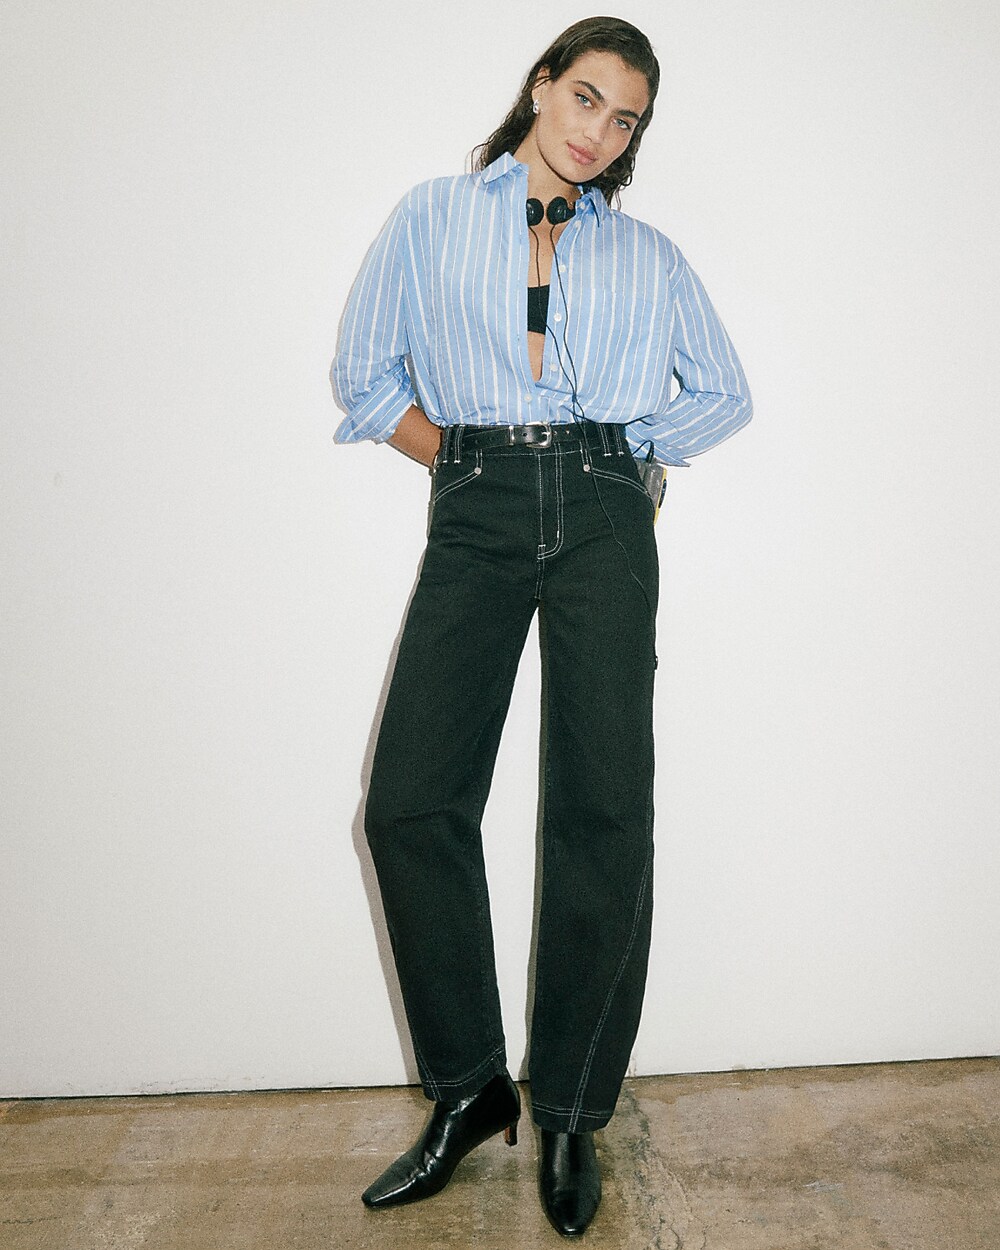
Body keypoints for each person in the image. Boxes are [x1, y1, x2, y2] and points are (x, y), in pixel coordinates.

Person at [331, 15, 751, 1238]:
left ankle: (569, 1107)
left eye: (625, 120)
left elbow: (723, 390)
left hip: (605, 511)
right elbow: (366, 377)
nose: (599, 132)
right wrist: (461, 462)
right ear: (541, 86)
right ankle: (469, 1088)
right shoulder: (430, 216)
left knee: (602, 804)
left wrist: (630, 460)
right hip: (476, 500)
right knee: (409, 799)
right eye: (585, 98)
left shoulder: (649, 256)